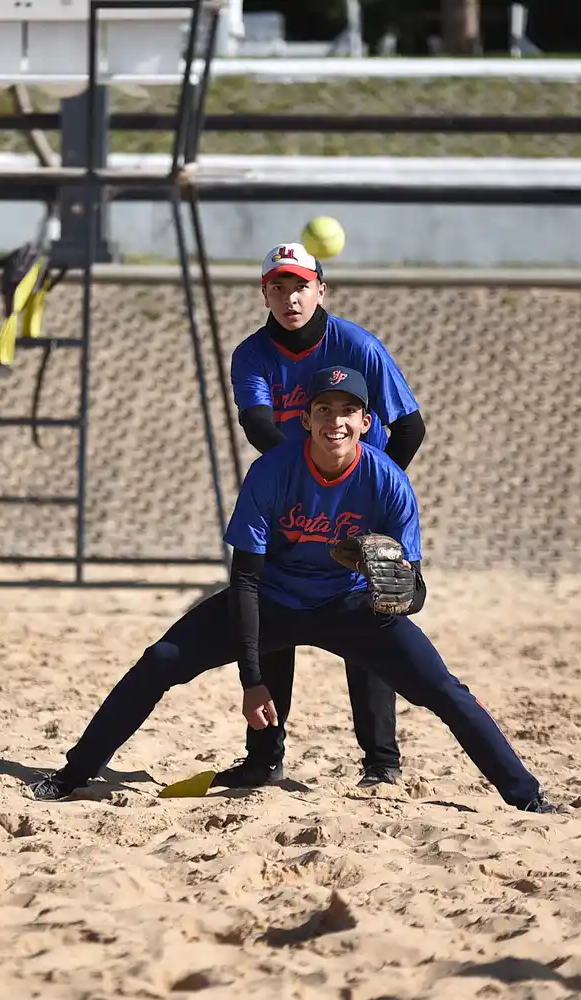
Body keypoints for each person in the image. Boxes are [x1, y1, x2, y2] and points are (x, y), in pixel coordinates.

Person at [28, 365, 557, 814]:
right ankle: (72, 775)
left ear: (366, 423)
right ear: (305, 420)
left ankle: (528, 797)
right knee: (160, 660)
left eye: (347, 411)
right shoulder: (272, 471)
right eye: (323, 409)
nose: (335, 421)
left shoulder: (389, 481)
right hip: (273, 598)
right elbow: (246, 579)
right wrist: (254, 679)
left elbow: (413, 591)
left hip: (347, 604)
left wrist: (396, 595)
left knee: (443, 689)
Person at [221, 240, 428, 792]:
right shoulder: (252, 354)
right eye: (279, 286)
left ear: (321, 290)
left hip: (355, 505)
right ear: (265, 293)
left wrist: (367, 490)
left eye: (301, 285)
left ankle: (381, 763)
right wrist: (299, 485)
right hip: (291, 505)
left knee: (371, 615)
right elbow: (260, 427)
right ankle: (264, 760)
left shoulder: (357, 346)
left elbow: (409, 427)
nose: (291, 297)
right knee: (272, 614)